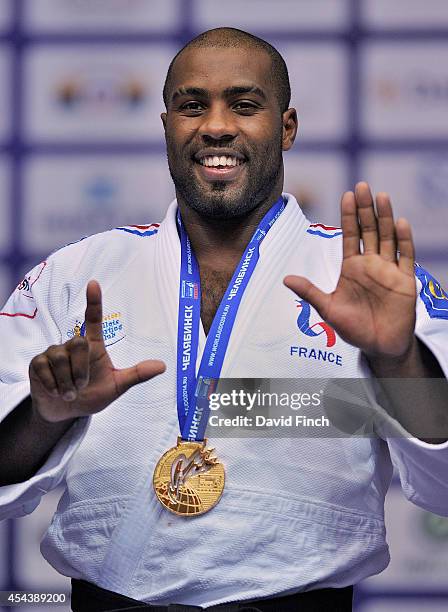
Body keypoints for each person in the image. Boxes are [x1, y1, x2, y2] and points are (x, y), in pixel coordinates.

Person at [0, 27, 447, 612]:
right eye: (191, 106)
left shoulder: (369, 280)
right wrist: (46, 413)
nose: (215, 125)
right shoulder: (76, 274)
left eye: (244, 104)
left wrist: (396, 357)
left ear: (286, 128)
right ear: (166, 128)